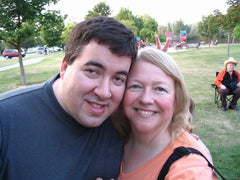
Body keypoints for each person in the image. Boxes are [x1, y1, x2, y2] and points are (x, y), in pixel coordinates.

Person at [0, 16, 138, 180]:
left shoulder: (123, 121)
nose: (104, 92)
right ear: (65, 67)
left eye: (118, 79)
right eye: (92, 71)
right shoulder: (6, 120)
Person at [113, 48, 217, 179]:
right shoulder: (114, 133)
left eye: (160, 89)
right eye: (135, 86)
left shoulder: (189, 168)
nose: (146, 99)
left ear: (177, 99)